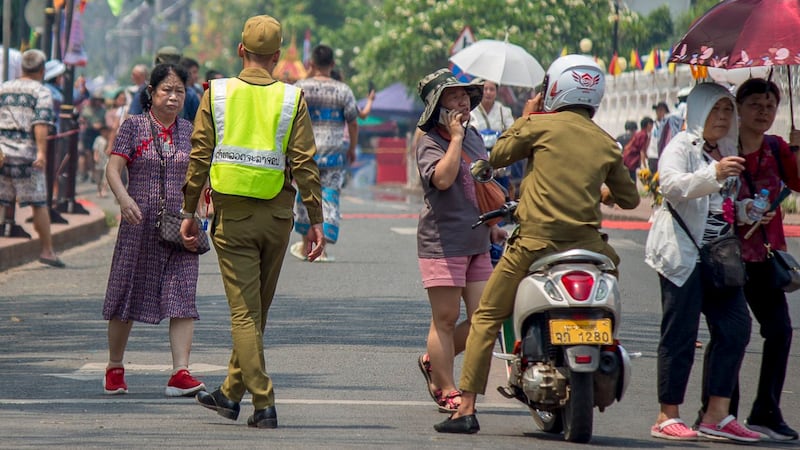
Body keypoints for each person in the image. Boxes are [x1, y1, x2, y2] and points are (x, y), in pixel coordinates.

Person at [434, 54, 640, 434]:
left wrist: (527, 115)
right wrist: (605, 190)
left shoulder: (538, 125)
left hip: (534, 242)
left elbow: (496, 155)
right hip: (590, 248)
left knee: (485, 319)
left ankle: (465, 408)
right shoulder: (606, 143)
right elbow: (629, 199)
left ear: (554, 90)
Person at [181, 14, 325, 429]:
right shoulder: (290, 98)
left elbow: (199, 157)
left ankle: (263, 401)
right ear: (278, 56)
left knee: (244, 313)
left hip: (233, 218)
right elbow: (304, 163)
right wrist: (315, 219)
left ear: (241, 51)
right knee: (255, 311)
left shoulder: (218, 93)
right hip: (279, 217)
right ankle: (229, 393)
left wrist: (189, 212)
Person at [644, 82, 759, 443]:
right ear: (698, 113)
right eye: (716, 111)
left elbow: (720, 205)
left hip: (718, 257)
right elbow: (671, 186)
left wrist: (746, 210)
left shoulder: (725, 150)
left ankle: (717, 414)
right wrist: (715, 174)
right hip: (682, 254)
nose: (723, 118)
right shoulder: (682, 146)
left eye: (728, 111)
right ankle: (667, 414)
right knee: (680, 334)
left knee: (736, 328)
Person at [696, 78, 800, 441]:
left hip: (766, 255)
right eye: (755, 104)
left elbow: (798, 182)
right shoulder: (724, 148)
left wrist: (798, 148)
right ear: (738, 108)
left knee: (780, 332)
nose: (763, 112)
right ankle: (718, 411)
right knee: (729, 333)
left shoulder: (776, 148)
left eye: (770, 105)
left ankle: (767, 411)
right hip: (727, 255)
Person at [102, 63, 206, 398]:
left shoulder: (189, 131)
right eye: (167, 90)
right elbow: (113, 168)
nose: (174, 97)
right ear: (152, 93)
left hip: (181, 225)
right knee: (127, 291)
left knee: (182, 294)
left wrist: (202, 211)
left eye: (179, 91)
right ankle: (115, 367)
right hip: (138, 223)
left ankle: (180, 373)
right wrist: (123, 198)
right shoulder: (133, 126)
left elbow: (199, 178)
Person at [413, 69, 507, 413]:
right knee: (446, 318)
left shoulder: (475, 135)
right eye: (453, 97)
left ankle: (433, 361)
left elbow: (480, 180)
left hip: (477, 237)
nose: (463, 102)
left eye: (466, 96)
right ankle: (447, 385)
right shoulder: (429, 142)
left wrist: (494, 222)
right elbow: (443, 179)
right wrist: (453, 139)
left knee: (485, 317)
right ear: (438, 105)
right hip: (443, 241)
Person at [289, 44, 358, 263]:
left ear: (311, 63)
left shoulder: (300, 88)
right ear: (333, 64)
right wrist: (352, 148)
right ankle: (322, 248)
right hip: (335, 154)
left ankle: (305, 245)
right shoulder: (343, 90)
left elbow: (290, 120)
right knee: (329, 197)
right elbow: (353, 122)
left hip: (305, 154)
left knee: (304, 196)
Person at [0, 49, 62, 267]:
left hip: (2, 154)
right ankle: (47, 251)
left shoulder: (4, 87)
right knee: (38, 203)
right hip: (27, 156)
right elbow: (40, 124)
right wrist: (42, 153)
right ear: (42, 70)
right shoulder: (41, 92)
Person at [469, 80, 518, 198]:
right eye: (485, 89)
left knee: (501, 199)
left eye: (492, 89)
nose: (488, 92)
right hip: (477, 164)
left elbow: (512, 135)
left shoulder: (504, 111)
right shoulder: (471, 111)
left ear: (497, 92)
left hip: (500, 166)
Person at [622, 116, 654, 181]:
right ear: (648, 125)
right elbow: (642, 151)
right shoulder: (643, 135)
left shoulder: (639, 134)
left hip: (627, 158)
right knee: (632, 179)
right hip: (631, 160)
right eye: (651, 124)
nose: (652, 127)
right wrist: (644, 165)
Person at [646, 101, 670, 173]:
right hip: (652, 156)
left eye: (661, 110)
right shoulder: (652, 124)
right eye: (658, 110)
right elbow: (647, 139)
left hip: (663, 156)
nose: (659, 112)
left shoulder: (667, 125)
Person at [93, 124, 111, 197]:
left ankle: (104, 189)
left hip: (107, 159)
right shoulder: (98, 139)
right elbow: (95, 149)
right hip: (100, 159)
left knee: (106, 175)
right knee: (99, 176)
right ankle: (98, 189)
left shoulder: (110, 139)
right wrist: (95, 157)